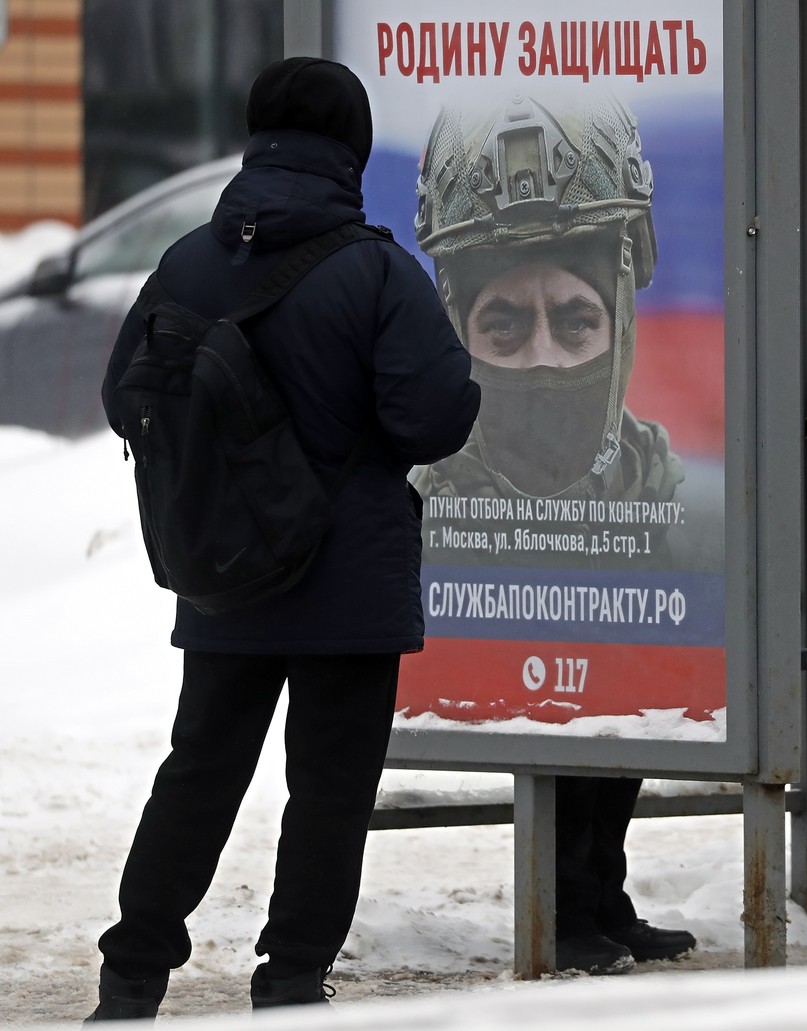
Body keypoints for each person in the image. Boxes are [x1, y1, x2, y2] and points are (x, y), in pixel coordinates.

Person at [88, 57, 480, 1020]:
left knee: (201, 768)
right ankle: (295, 976)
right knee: (329, 787)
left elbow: (120, 398)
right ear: (349, 149)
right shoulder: (381, 269)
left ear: (255, 137)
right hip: (348, 581)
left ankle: (134, 968)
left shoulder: (185, 260)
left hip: (227, 568)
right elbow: (432, 419)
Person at [412, 91, 697, 975]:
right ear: (460, 323)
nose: (542, 357)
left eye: (576, 321)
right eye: (504, 324)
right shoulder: (434, 500)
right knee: (559, 737)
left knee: (616, 722)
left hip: (613, 570)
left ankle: (600, 898)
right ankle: (565, 910)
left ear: (618, 317)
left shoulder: (678, 496)